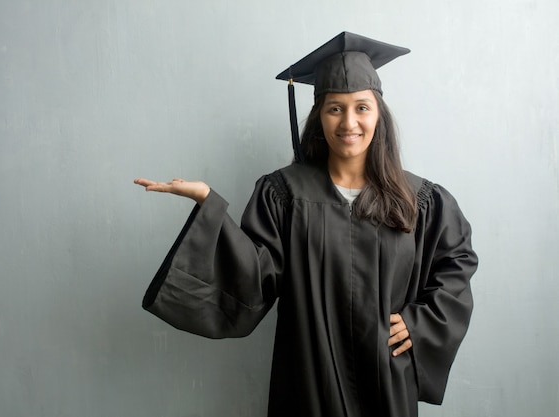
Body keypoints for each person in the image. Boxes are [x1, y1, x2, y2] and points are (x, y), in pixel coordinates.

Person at [134, 32, 478, 417]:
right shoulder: (283, 194)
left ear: (379, 114)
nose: (349, 122)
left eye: (361, 107)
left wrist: (421, 323)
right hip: (310, 381)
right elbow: (254, 276)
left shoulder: (419, 199)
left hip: (386, 377)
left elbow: (456, 265)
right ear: (319, 116)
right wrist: (207, 202)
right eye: (335, 109)